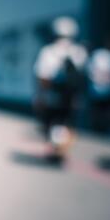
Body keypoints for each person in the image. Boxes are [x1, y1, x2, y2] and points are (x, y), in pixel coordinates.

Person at [34, 17, 88, 163]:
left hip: (53, 95)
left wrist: (40, 96)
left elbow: (42, 76)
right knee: (68, 123)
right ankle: (63, 151)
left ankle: (54, 149)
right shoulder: (79, 52)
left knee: (52, 123)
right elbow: (83, 78)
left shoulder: (48, 51)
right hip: (71, 97)